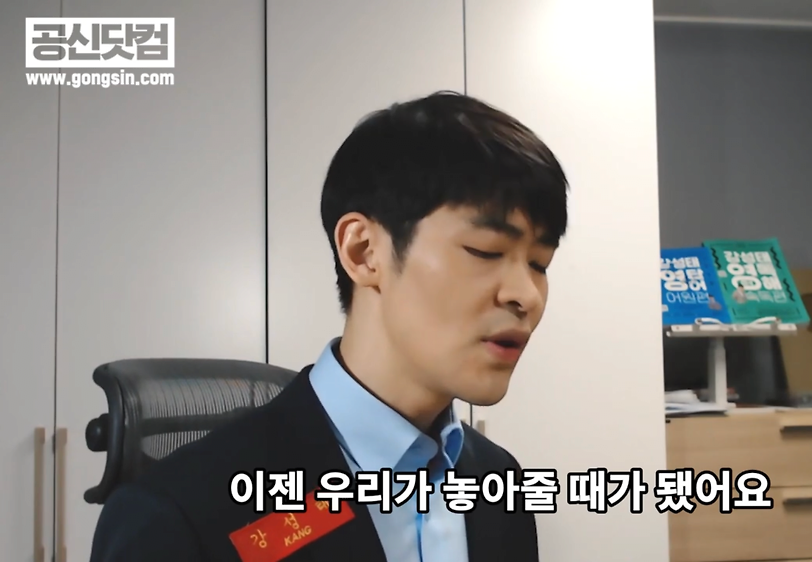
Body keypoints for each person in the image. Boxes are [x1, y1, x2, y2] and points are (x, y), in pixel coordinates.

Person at [89, 91, 569, 562]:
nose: (527, 295)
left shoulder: (499, 484)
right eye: (485, 252)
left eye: (540, 263)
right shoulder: (177, 515)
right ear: (363, 252)